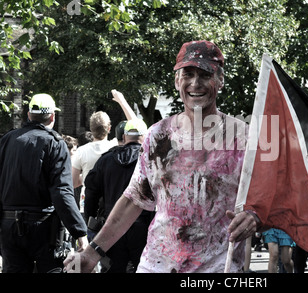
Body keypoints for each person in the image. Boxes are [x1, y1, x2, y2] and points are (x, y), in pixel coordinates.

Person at [64, 40, 259, 273]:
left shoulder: (244, 138)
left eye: (205, 74)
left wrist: (256, 217)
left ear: (220, 80)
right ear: (177, 81)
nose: (195, 83)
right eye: (188, 74)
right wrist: (91, 254)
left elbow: (271, 200)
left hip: (218, 269)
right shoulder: (158, 136)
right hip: (157, 265)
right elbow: (133, 200)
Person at [0, 93, 88, 273]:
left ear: (29, 115)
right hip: (44, 228)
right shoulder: (55, 143)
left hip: (9, 227)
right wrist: (80, 232)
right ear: (53, 117)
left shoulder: (7, 140)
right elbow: (62, 192)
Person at [84, 119, 155, 273]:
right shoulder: (150, 161)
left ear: (124, 137)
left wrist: (90, 222)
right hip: (143, 228)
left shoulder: (105, 160)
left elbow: (91, 192)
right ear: (144, 137)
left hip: (111, 228)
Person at [72, 90, 137, 214]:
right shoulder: (114, 146)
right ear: (109, 128)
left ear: (91, 129)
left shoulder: (81, 152)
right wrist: (122, 101)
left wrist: (85, 176)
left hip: (87, 205)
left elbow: (74, 182)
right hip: (111, 204)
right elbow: (136, 125)